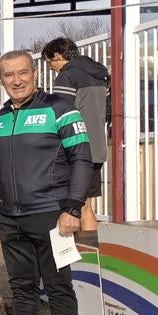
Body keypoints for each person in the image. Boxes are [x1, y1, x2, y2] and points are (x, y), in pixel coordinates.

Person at [0, 50, 93, 315]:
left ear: (35, 73)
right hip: (11, 218)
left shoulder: (60, 109)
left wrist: (73, 208)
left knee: (58, 288)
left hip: (53, 216)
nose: (16, 80)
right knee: (21, 289)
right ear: (1, 79)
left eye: (22, 73)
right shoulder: (1, 117)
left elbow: (82, 158)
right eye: (9, 75)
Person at [42, 37, 109, 233]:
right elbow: (107, 111)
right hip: (97, 148)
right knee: (87, 206)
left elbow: (62, 112)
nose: (51, 68)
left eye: (49, 62)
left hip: (75, 148)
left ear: (57, 55)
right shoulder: (100, 74)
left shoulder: (67, 76)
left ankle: (82, 255)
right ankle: (90, 256)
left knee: (76, 206)